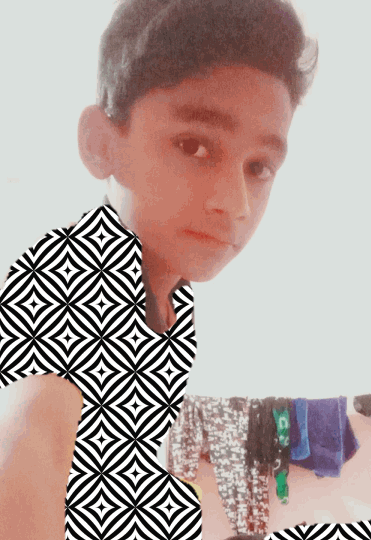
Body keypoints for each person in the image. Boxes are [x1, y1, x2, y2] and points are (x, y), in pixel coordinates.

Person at [0, 0, 318, 539]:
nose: (235, 203)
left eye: (258, 167)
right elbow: (29, 446)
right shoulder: (65, 274)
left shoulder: (169, 298)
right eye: (194, 146)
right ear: (101, 144)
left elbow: (121, 480)